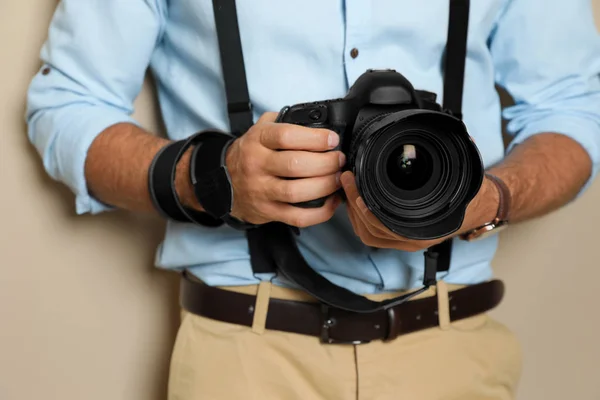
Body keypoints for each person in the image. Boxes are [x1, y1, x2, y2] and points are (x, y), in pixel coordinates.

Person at [25, 0, 600, 399]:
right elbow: (68, 105)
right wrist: (214, 176)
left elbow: (571, 110)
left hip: (453, 349)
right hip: (246, 357)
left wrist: (486, 200)